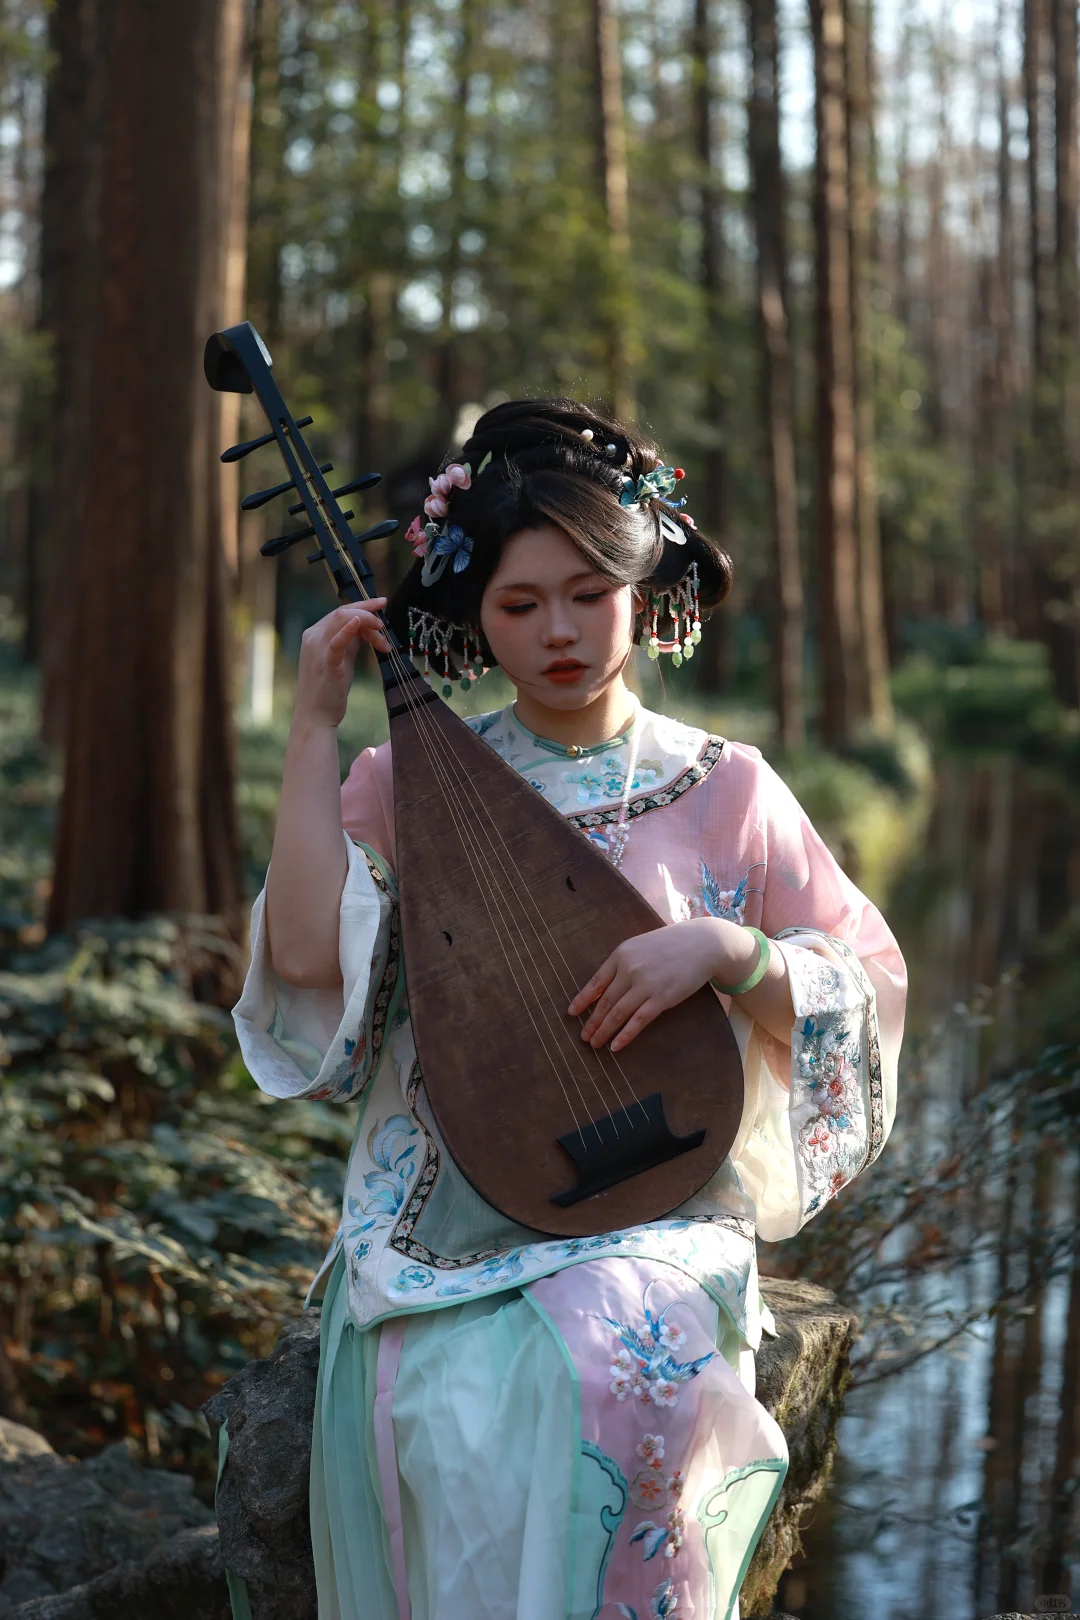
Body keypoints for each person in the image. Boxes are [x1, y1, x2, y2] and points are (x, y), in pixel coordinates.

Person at [233, 399, 907, 1620]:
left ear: (643, 596)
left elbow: (865, 976)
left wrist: (726, 950)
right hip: (452, 1202)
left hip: (661, 1193)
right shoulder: (407, 780)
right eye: (519, 602)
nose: (558, 631)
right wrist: (316, 726)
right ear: (474, 614)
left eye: (588, 594)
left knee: (618, 1349)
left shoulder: (727, 786)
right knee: (443, 1400)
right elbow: (301, 958)